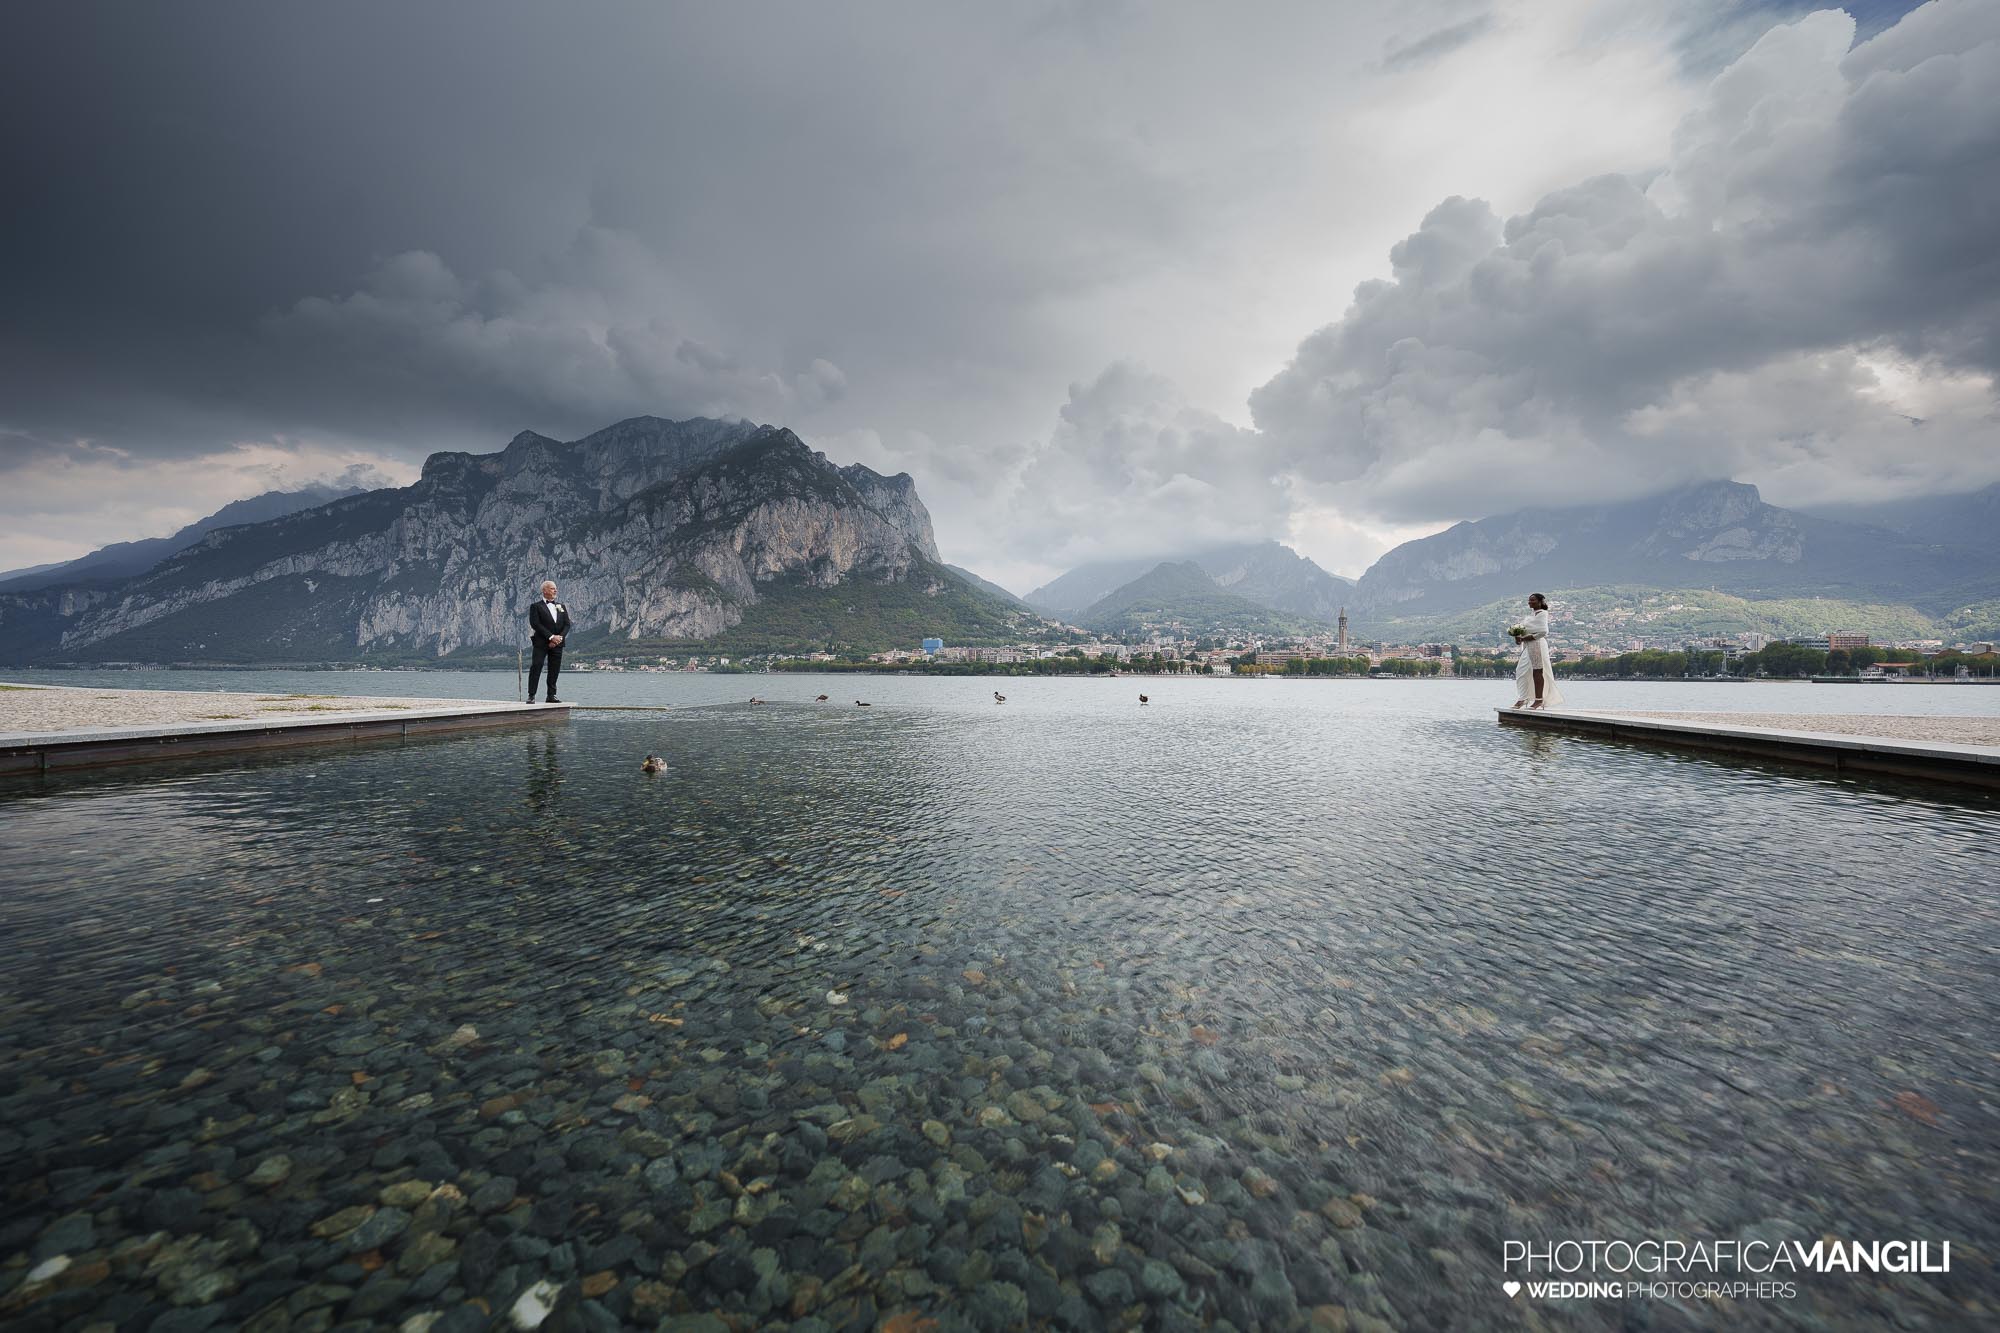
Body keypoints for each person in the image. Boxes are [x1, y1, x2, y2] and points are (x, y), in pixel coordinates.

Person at [1512, 592, 1565, 710]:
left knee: (1537, 671)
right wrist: (1517, 636)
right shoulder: (1530, 616)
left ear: (1540, 602)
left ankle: (1539, 700)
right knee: (1520, 671)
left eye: (1533, 600)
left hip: (1537, 645)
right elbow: (1523, 633)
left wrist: (1525, 637)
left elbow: (1543, 632)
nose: (1530, 602)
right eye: (1529, 600)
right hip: (1527, 646)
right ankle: (1523, 697)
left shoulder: (1543, 614)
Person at [527, 580, 572, 703]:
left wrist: (558, 638)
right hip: (541, 643)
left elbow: (567, 625)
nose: (555, 590)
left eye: (555, 588)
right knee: (536, 666)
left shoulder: (561, 607)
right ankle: (531, 695)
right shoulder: (536, 606)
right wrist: (551, 637)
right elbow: (535, 624)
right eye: (552, 588)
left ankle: (551, 695)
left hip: (558, 644)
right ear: (544, 590)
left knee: (554, 669)